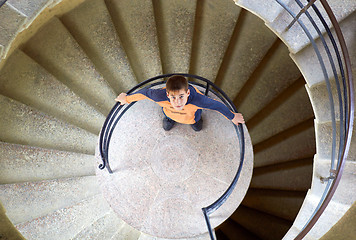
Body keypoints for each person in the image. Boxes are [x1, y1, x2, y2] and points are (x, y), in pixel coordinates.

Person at [115, 75, 245, 131]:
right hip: (170, 114)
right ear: (167, 95)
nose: (177, 102)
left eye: (181, 96)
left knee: (198, 128)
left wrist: (233, 116)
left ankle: (196, 121)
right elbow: (144, 93)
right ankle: (170, 119)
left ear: (187, 93)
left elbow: (217, 105)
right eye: (173, 97)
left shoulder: (198, 100)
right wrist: (126, 99)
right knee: (166, 127)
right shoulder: (159, 96)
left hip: (191, 118)